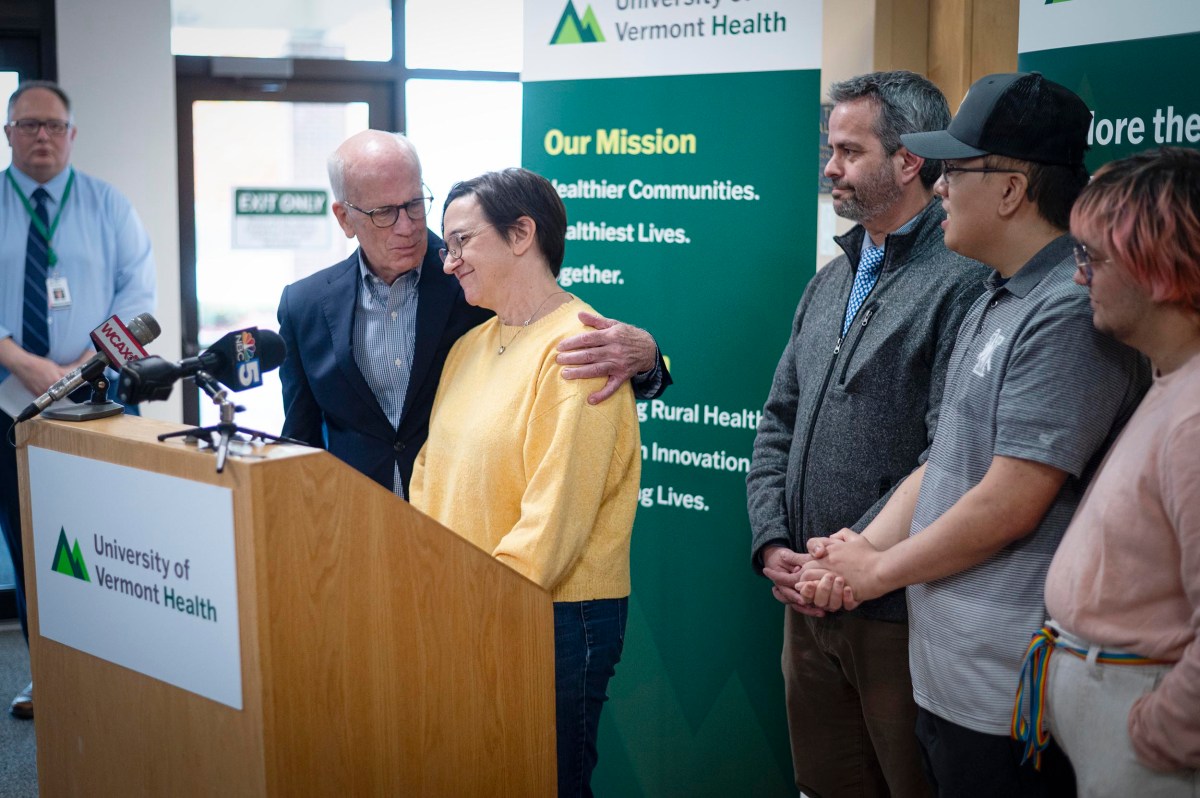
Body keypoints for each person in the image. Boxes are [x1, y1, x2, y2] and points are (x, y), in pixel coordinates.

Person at [796, 72, 1150, 796]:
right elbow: (943, 461)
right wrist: (860, 548)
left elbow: (1011, 503)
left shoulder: (1065, 314)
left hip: (1005, 694)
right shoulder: (996, 296)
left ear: (1013, 190)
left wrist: (876, 572)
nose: (942, 187)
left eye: (956, 170)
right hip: (945, 676)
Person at [746, 70, 987, 798]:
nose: (829, 167)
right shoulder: (830, 280)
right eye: (831, 148)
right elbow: (778, 420)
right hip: (806, 608)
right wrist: (773, 543)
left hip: (897, 612)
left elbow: (951, 456)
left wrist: (854, 569)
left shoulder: (966, 278)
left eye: (848, 152)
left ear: (910, 161)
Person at [409, 168, 639, 798]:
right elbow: (430, 474)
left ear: (521, 235)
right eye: (446, 247)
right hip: (472, 606)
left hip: (552, 617)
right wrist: (433, 585)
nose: (448, 262)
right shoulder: (469, 346)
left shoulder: (584, 348)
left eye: (460, 242)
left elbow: (554, 517)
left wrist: (472, 604)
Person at [277, 130, 668, 500]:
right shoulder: (304, 306)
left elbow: (565, 346)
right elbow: (300, 438)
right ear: (345, 218)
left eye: (414, 204)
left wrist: (648, 357)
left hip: (465, 526)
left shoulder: (477, 276)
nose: (408, 226)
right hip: (354, 530)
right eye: (384, 213)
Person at [1011, 147, 1200, 796]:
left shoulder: (1194, 415)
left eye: (1092, 258)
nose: (1078, 278)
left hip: (1149, 743)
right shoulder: (1169, 380)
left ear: (1161, 270)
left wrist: (1157, 732)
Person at [0, 80, 156, 720]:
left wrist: (78, 369)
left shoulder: (108, 204)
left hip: (100, 401)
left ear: (71, 134)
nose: (43, 135)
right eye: (29, 124)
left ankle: (117, 671)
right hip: (9, 406)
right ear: (9, 133)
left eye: (54, 126)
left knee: (111, 545)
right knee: (32, 546)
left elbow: (138, 301)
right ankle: (48, 675)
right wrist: (27, 364)